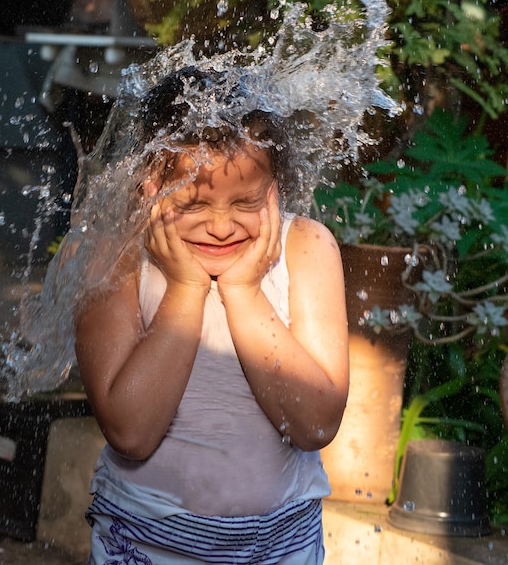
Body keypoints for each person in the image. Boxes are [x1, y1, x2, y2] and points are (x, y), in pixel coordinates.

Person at [74, 67, 349, 564]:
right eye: (195, 203)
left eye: (245, 202)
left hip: (280, 544)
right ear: (150, 183)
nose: (221, 227)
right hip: (144, 542)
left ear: (274, 187)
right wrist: (185, 289)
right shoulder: (116, 257)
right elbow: (131, 433)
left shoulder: (306, 249)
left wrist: (243, 291)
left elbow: (315, 425)